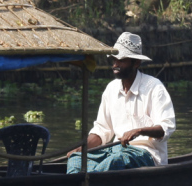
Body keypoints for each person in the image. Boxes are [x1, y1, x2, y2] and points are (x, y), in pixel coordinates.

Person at [67, 32, 174, 173]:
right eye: (114, 60)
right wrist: (82, 149)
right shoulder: (111, 89)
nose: (115, 64)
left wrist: (139, 131)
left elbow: (166, 127)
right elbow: (102, 130)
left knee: (117, 161)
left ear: (136, 63)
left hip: (147, 155)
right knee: (75, 159)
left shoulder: (154, 87)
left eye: (121, 60)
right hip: (116, 151)